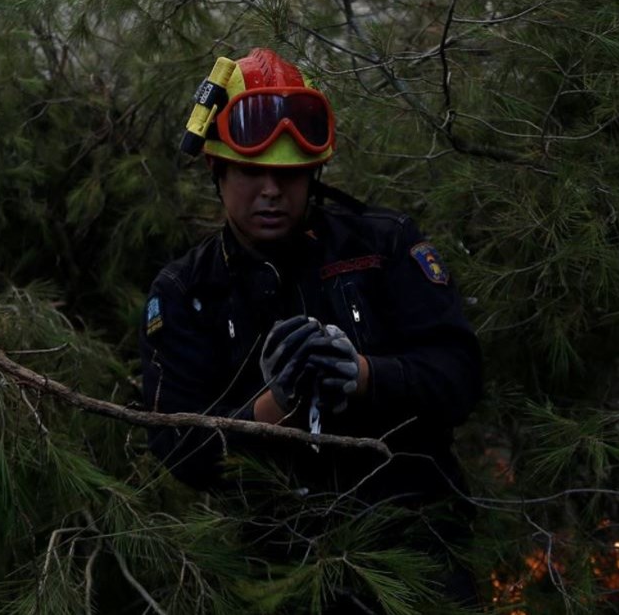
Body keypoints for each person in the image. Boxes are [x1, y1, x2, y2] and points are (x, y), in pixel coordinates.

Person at [139, 47, 482, 611]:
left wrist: (364, 375)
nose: (271, 192)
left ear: (313, 173)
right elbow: (177, 449)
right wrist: (272, 409)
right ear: (216, 170)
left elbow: (460, 377)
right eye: (251, 172)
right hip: (278, 570)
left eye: (289, 175)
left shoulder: (384, 245)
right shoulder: (186, 293)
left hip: (419, 552)